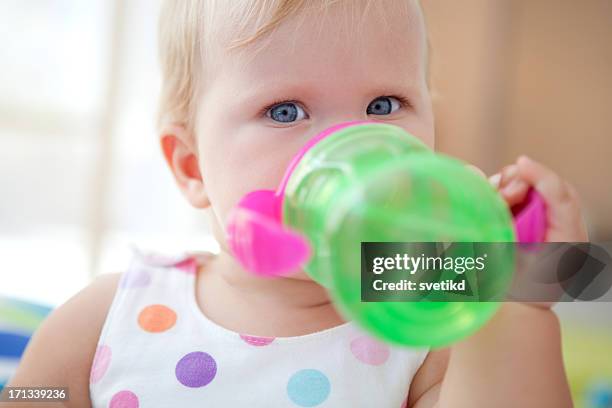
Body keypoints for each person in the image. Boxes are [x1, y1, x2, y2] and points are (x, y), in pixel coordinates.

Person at [8, 1, 587, 406]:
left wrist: (513, 293)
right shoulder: (106, 319)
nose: (349, 146)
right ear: (192, 165)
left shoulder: (425, 336)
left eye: (384, 104)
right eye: (285, 111)